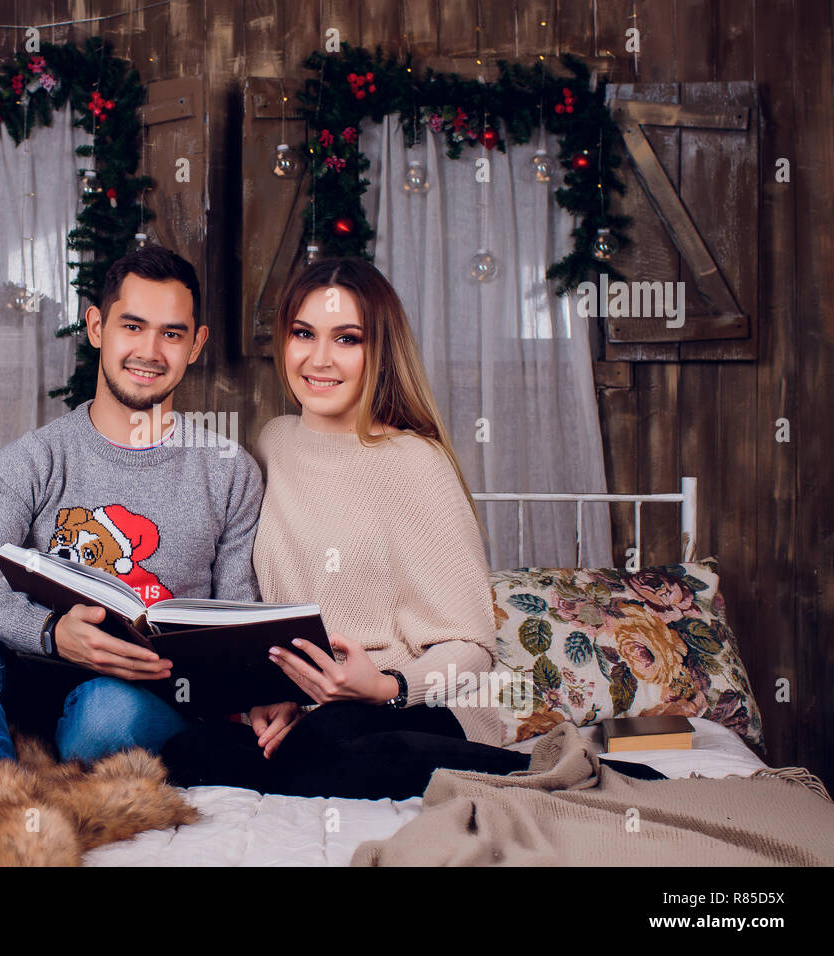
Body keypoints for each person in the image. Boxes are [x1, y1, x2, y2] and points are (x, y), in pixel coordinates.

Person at [160, 257, 665, 798]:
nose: (319, 358)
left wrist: (384, 686)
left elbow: (472, 646)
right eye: (304, 333)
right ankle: (300, 759)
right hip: (322, 712)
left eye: (347, 339)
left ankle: (522, 773)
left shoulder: (414, 464)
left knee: (321, 746)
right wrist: (285, 695)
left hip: (421, 705)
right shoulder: (274, 442)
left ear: (379, 350)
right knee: (185, 753)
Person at [0, 246, 263, 767]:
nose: (150, 351)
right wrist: (52, 635)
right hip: (32, 676)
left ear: (196, 345)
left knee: (104, 716)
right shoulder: (34, 459)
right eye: (132, 326)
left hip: (140, 696)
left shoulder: (229, 470)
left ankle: (29, 776)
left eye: (171, 333)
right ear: (97, 327)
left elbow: (237, 621)